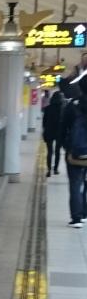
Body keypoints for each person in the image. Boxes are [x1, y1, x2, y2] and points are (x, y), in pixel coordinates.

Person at [61, 76, 87, 227]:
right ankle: (84, 213)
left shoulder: (72, 105)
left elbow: (63, 128)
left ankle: (77, 218)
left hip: (75, 152)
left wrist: (67, 147)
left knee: (75, 184)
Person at [42, 88, 64, 176]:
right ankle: (55, 169)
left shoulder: (47, 109)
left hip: (49, 132)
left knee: (50, 152)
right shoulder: (63, 109)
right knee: (57, 151)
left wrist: (45, 130)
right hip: (59, 133)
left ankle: (48, 170)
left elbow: (44, 122)